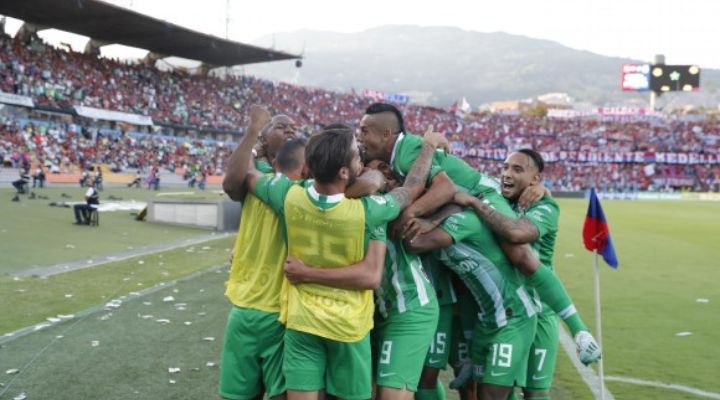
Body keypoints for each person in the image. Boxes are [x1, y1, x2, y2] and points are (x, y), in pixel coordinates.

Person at [237, 107, 436, 400]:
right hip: (348, 328)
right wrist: (427, 148)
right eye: (357, 157)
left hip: (302, 323)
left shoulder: (290, 196)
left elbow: (249, 177)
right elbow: (412, 188)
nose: (362, 160)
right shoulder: (369, 212)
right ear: (344, 171)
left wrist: (256, 139)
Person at [453, 150, 601, 399]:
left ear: (535, 178)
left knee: (535, 393)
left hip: (541, 309)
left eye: (517, 169)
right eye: (505, 167)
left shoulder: (545, 205)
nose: (507, 174)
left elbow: (518, 234)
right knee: (499, 387)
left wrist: (544, 190)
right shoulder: (497, 200)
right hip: (507, 308)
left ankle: (579, 332)